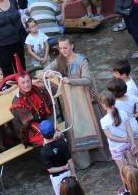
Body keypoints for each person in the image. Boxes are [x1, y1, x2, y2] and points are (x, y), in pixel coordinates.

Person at [42, 37, 110, 168]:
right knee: (77, 129)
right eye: (61, 48)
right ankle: (84, 161)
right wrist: (50, 74)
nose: (63, 50)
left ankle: (100, 156)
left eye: (65, 47)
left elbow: (87, 80)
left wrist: (69, 81)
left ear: (72, 46)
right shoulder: (60, 60)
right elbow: (44, 71)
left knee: (92, 125)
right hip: (71, 102)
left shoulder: (81, 60)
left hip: (86, 99)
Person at [108, 77, 138, 166]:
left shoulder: (113, 104)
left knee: (129, 154)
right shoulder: (131, 97)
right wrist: (136, 115)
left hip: (125, 129)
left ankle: (133, 170)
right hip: (134, 125)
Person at [99, 91, 138, 177]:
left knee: (122, 171)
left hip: (116, 147)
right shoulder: (123, 113)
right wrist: (133, 143)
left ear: (104, 105)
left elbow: (110, 137)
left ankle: (127, 185)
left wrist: (123, 139)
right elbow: (129, 130)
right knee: (133, 167)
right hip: (128, 144)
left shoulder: (103, 120)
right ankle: (137, 183)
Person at [10, 72, 53, 147]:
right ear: (18, 84)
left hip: (44, 123)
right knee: (49, 139)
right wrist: (46, 131)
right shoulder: (17, 102)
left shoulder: (37, 89)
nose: (26, 85)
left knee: (56, 134)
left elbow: (54, 89)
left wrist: (43, 80)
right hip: (30, 130)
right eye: (23, 83)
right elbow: (28, 122)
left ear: (31, 80)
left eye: (28, 81)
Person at [39, 119, 75, 195]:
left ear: (42, 135)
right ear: (54, 131)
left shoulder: (44, 151)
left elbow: (50, 170)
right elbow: (70, 161)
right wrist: (74, 174)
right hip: (68, 173)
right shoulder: (62, 143)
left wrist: (63, 168)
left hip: (57, 178)